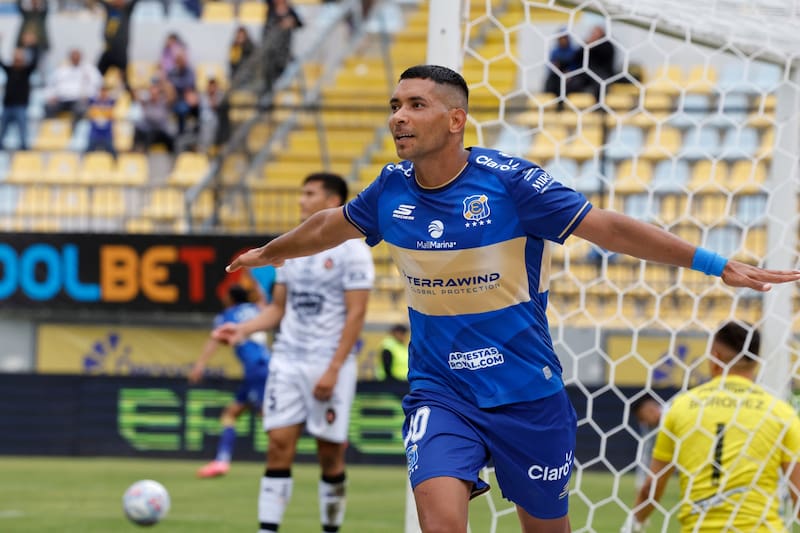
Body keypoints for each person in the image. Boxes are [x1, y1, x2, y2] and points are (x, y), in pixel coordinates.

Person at [221, 64, 800, 533]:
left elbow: (609, 228)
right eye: (395, 105)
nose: (399, 117)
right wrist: (268, 253)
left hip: (527, 393)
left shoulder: (511, 184)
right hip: (441, 391)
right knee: (440, 523)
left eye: (416, 105)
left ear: (456, 120)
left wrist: (716, 265)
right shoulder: (388, 190)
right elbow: (328, 226)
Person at [213, 173, 374, 533]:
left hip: (329, 362)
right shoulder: (290, 247)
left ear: (332, 202)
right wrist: (242, 329)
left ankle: (330, 528)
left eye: (309, 194)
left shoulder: (355, 252)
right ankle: (267, 529)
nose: (301, 200)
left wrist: (333, 368)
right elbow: (277, 309)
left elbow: (357, 314)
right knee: (278, 444)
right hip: (287, 359)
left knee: (330, 453)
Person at [623, 321, 800, 533]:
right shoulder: (781, 413)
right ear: (756, 361)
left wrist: (634, 523)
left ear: (715, 357)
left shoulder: (682, 407)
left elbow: (651, 488)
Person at [189, 284, 270, 478]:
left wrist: (200, 364)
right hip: (264, 367)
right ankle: (221, 461)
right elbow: (265, 302)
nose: (223, 298)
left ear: (231, 298)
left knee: (271, 419)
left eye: (226, 295)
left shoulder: (228, 315)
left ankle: (314, 440)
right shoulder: (256, 309)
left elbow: (215, 339)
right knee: (230, 414)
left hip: (257, 369)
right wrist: (256, 282)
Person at [44, 48, 103, 126]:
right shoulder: (61, 69)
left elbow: (97, 84)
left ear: (81, 57)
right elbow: (51, 84)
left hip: (79, 99)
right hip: (62, 99)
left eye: (77, 57)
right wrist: (51, 96)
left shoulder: (89, 70)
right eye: (73, 56)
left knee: (81, 109)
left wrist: (88, 95)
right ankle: (54, 130)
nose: (75, 59)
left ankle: (73, 130)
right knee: (49, 107)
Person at [0, 41, 38, 151]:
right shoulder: (10, 70)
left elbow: (35, 61)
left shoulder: (26, 71)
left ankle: (24, 146)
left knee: (22, 128)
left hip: (21, 105)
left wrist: (32, 45)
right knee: (3, 128)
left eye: (19, 57)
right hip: (8, 105)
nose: (17, 59)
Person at [97, 0, 139, 94]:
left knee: (125, 79)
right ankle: (97, 96)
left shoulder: (126, 10)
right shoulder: (110, 9)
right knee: (97, 75)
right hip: (108, 50)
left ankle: (130, 97)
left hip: (121, 51)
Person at [261, 0, 303, 96]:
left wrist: (292, 22)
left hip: (284, 50)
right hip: (271, 51)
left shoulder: (290, 10)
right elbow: (267, 30)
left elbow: (300, 24)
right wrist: (281, 25)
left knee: (284, 72)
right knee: (268, 76)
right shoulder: (271, 10)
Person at [630, 393, 662, 490]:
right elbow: (646, 455)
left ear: (649, 409)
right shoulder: (648, 427)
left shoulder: (673, 413)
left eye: (641, 417)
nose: (642, 421)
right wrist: (641, 484)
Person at [543, 30, 579, 96]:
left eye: (564, 38)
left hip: (570, 76)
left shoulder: (573, 51)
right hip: (556, 75)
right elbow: (549, 65)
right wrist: (555, 67)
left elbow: (576, 65)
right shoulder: (555, 52)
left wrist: (569, 72)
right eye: (561, 38)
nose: (563, 40)